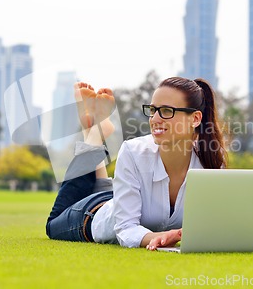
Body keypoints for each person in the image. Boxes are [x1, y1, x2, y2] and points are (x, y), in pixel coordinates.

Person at [46, 77, 227, 250]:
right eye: (153, 109)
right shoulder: (134, 151)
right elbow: (125, 227)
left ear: (195, 119)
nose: (155, 119)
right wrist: (162, 237)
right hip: (95, 213)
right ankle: (93, 137)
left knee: (111, 193)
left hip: (121, 198)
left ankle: (94, 127)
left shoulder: (211, 161)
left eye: (166, 111)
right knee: (53, 225)